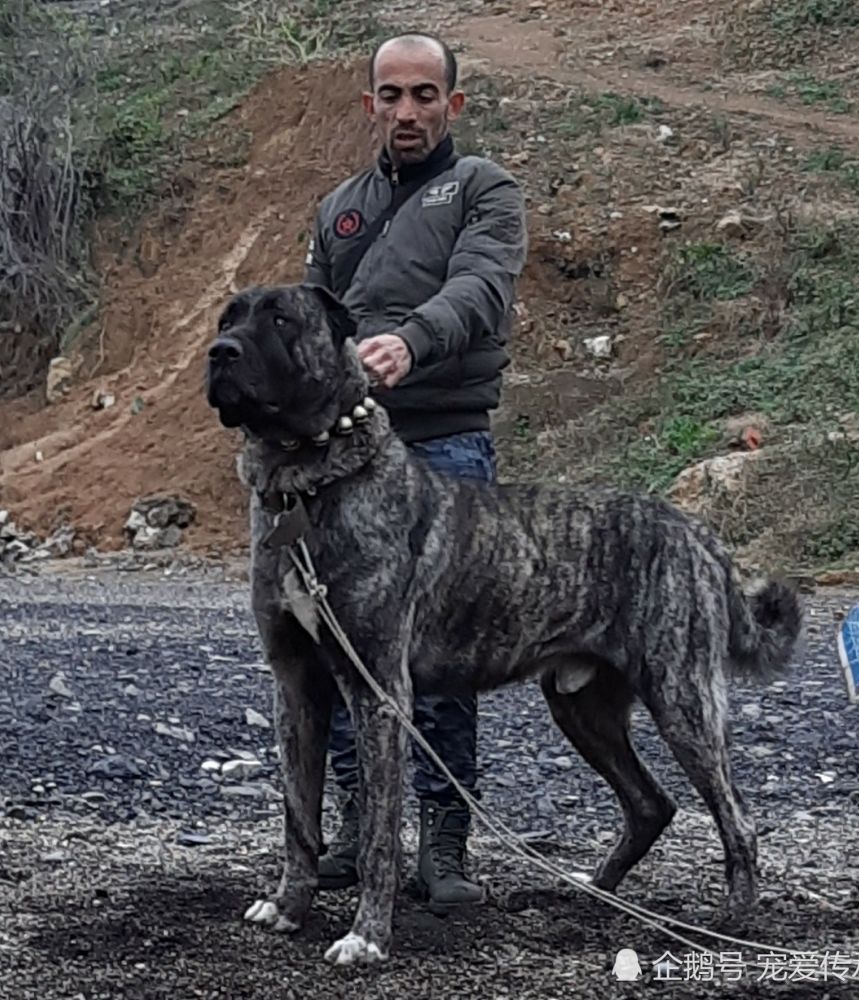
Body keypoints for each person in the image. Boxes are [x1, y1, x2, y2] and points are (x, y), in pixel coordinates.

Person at [302, 30, 528, 911]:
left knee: (443, 649)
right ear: (369, 105)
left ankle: (444, 837)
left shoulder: (485, 190)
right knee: (340, 645)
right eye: (390, 95)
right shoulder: (337, 210)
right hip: (343, 457)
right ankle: (360, 828)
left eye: (424, 95)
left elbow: (481, 290)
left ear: (452, 105)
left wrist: (412, 340)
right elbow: (310, 324)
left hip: (445, 444)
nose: (406, 110)